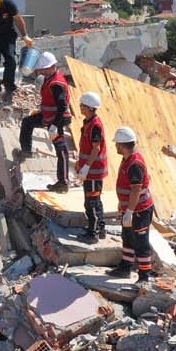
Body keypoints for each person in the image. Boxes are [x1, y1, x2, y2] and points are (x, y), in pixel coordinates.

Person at [17, 52, 72, 191]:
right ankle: (26, 152)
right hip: (49, 117)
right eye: (42, 69)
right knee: (27, 122)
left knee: (61, 150)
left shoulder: (56, 84)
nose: (42, 71)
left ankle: (63, 182)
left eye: (45, 68)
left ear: (53, 66)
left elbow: (62, 107)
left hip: (57, 119)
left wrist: (54, 126)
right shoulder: (50, 78)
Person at [109, 126, 153, 283]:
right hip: (131, 208)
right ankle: (126, 267)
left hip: (139, 210)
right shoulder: (128, 159)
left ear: (121, 145)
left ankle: (144, 275)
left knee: (141, 242)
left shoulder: (134, 164)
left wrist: (130, 211)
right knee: (127, 237)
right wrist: (123, 206)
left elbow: (136, 190)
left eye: (116, 144)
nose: (115, 147)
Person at [73, 92, 107, 241]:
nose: (80, 107)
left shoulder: (95, 126)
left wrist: (86, 167)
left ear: (89, 108)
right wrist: (80, 163)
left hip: (93, 171)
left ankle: (92, 233)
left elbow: (96, 149)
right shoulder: (88, 122)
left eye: (82, 105)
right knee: (95, 200)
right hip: (91, 169)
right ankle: (101, 228)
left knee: (91, 202)